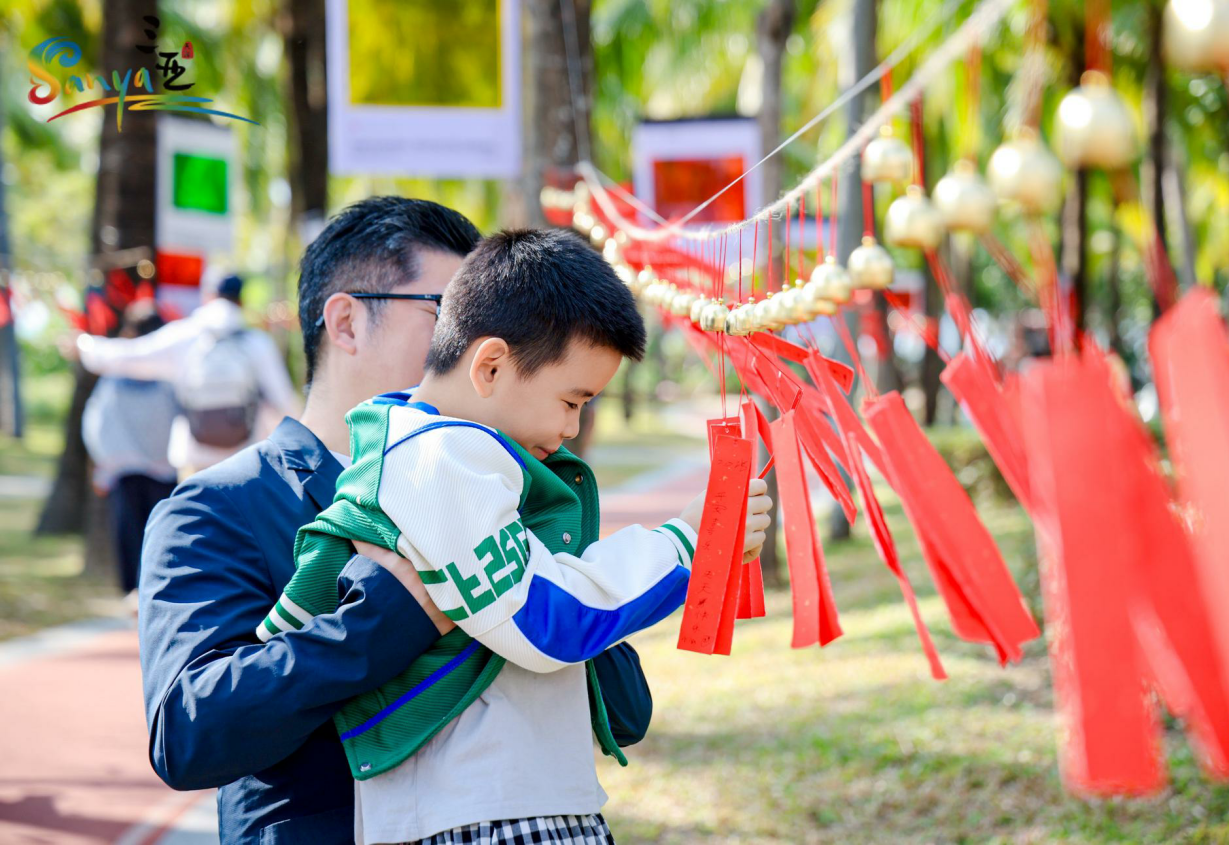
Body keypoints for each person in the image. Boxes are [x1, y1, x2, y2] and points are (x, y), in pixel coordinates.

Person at [136, 197, 657, 845]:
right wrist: (392, 610)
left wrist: (550, 580)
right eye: (447, 316)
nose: (477, 345)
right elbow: (191, 733)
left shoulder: (505, 489)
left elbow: (627, 712)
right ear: (347, 322)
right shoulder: (217, 509)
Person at [258, 228, 773, 845]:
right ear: (491, 364)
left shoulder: (429, 455)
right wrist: (689, 542)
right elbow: (547, 620)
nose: (572, 426)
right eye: (570, 400)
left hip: (498, 804)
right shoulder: (436, 463)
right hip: (486, 815)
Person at [75, 273, 299, 475]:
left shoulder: (185, 335)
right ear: (240, 301)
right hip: (247, 461)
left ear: (208, 297)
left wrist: (85, 346)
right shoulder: (257, 343)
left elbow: (130, 356)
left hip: (195, 460)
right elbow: (284, 401)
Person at [81, 300, 180, 597]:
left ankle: (134, 595)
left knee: (130, 535)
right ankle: (157, 592)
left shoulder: (113, 376)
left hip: (125, 468)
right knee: (161, 536)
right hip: (164, 469)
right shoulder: (169, 377)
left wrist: (104, 465)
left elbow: (98, 422)